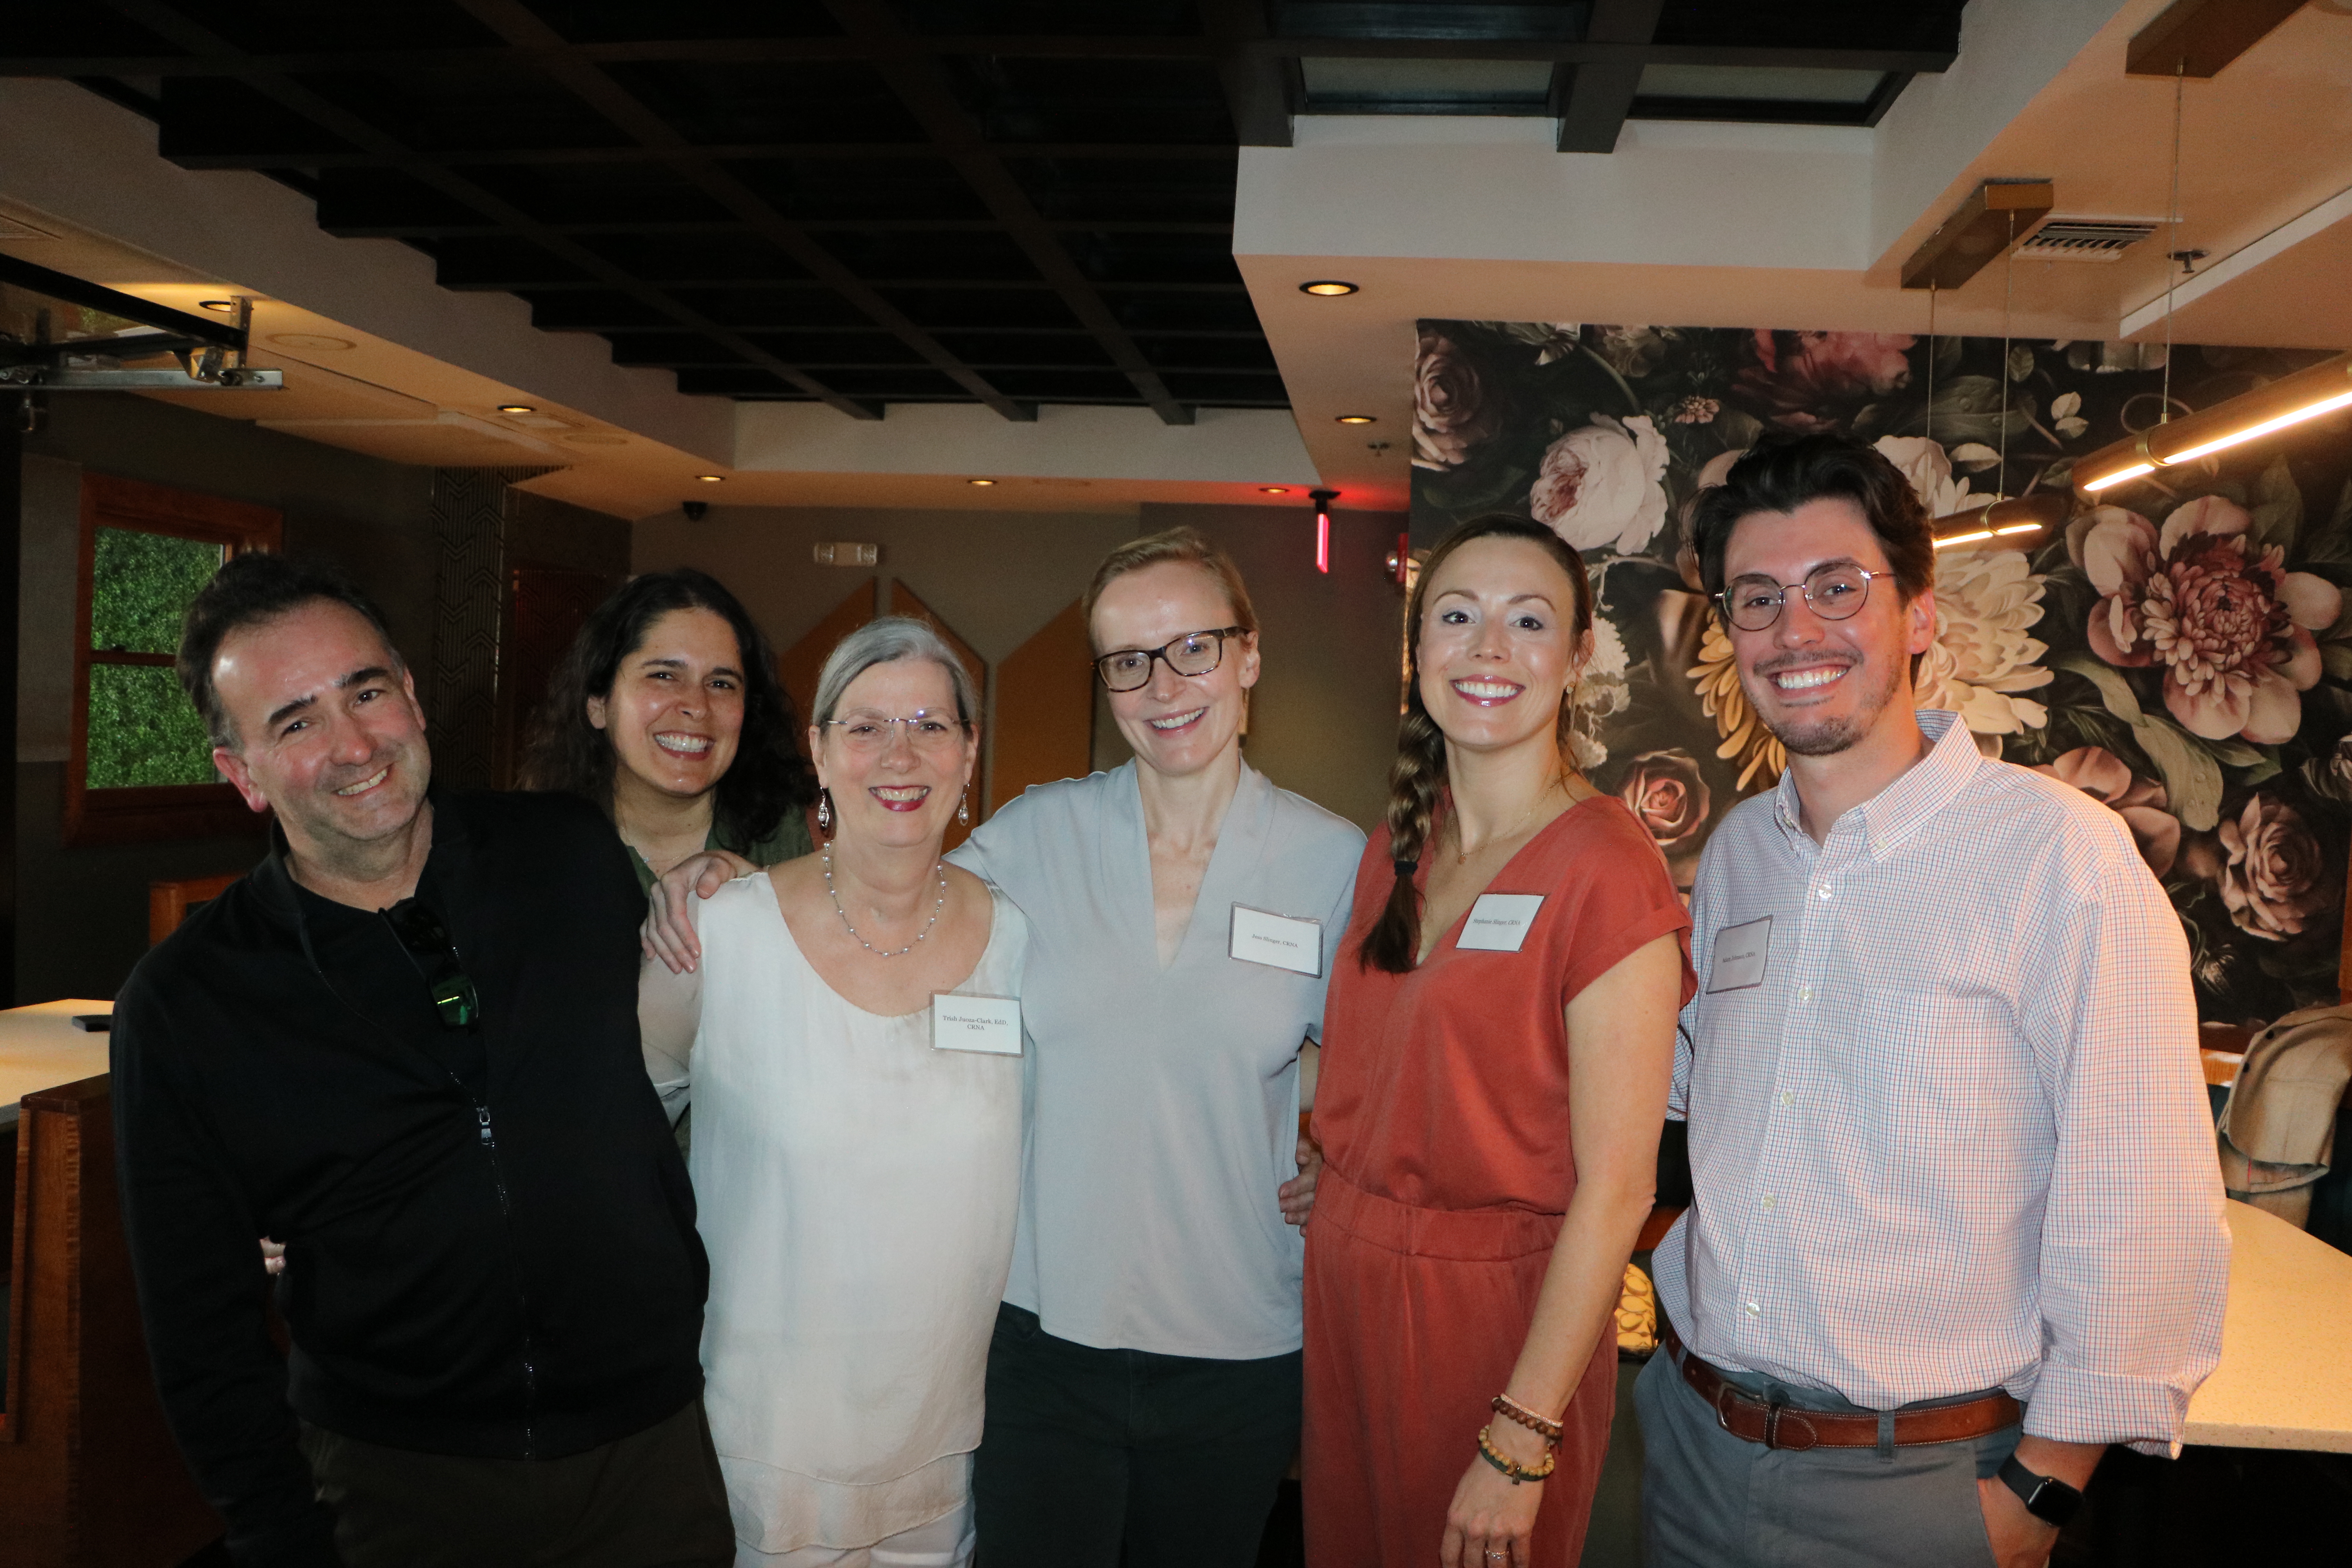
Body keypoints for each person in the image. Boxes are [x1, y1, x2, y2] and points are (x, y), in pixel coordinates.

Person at [646, 526, 1365, 1567]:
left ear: (1248, 656)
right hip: (1040, 1343)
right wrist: (717, 871)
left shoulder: (1332, 860)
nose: (1164, 685)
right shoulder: (1035, 839)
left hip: (1238, 1340)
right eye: (1129, 659)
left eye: (1194, 648)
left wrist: (1335, 1145)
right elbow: (886, 872)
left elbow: (1386, 1055)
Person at [1639, 433, 2230, 1568]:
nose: (1795, 632)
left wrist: (2041, 1496)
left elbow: (2143, 1199)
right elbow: (1680, 1099)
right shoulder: (1736, 859)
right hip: (1697, 1447)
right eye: (1757, 598)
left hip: (1920, 1487)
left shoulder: (2061, 859)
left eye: (1836, 589)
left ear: (1918, 616)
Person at [112, 553, 732, 1567]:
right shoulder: (186, 1006)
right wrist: (283, 1542)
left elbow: (675, 1058)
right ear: (244, 776)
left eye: (365, 692)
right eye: (296, 721)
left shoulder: (569, 857)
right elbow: (199, 1339)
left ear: (412, 697)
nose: (354, 743)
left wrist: (717, 886)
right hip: (394, 1484)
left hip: (653, 1458)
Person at [1302, 514, 1693, 1568]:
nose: (1486, 649)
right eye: (1457, 616)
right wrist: (1346, 1167)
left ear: (1575, 660)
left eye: (1527, 621)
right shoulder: (1398, 843)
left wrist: (1521, 1437)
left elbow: (1618, 1191)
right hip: (1350, 1286)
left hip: (1489, 1317)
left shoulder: (1606, 868)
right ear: (1418, 647)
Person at [641, 617, 1021, 1568]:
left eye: (933, 724)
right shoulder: (719, 936)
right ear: (817, 750)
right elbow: (604, 1138)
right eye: (865, 726)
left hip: (944, 1442)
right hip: (761, 1447)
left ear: (971, 751)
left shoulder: (1022, 944)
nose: (901, 754)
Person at [520, 567, 814, 896]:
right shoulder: (534, 852)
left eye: (720, 683)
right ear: (598, 703)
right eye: (663, 676)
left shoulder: (798, 840)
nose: (697, 705)